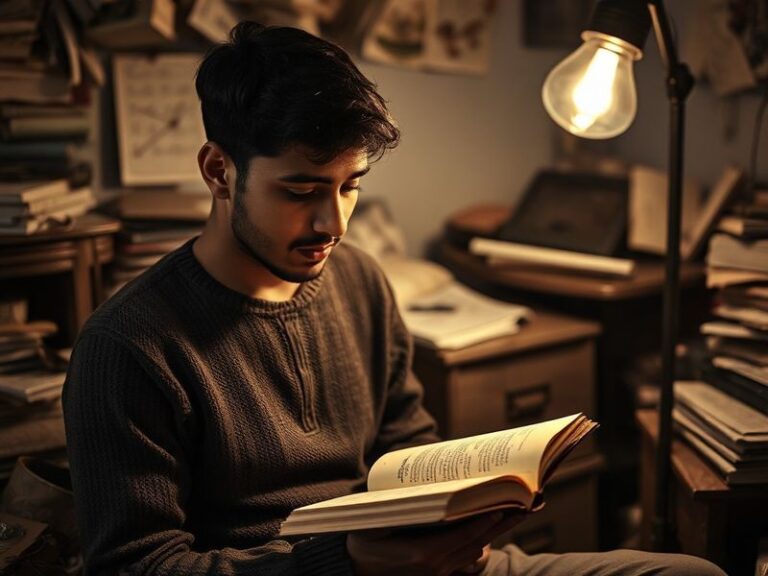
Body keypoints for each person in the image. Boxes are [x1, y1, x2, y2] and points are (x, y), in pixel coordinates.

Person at [63, 22, 726, 576]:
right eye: (301, 191)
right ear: (219, 172)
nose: (333, 223)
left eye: (350, 185)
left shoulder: (357, 280)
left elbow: (407, 445)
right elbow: (137, 566)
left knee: (688, 572)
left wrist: (466, 509)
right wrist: (344, 564)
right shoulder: (127, 348)